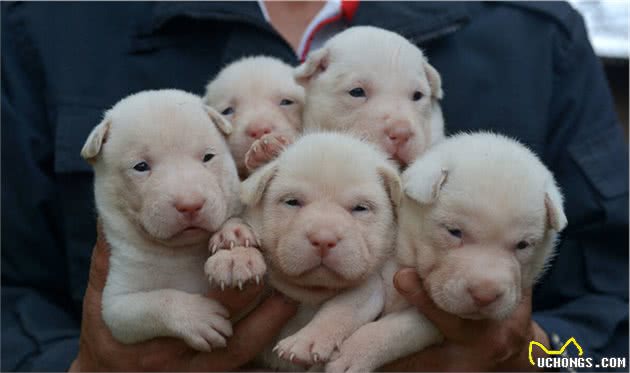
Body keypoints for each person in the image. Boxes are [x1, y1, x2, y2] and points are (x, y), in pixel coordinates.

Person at [2, 1, 627, 371]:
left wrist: (540, 359)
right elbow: (11, 295)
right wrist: (77, 369)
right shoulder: (49, 23)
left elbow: (613, 324)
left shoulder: (532, 33)